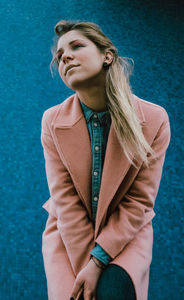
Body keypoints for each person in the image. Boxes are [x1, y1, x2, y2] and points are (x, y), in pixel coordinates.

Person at [40, 19, 171, 300]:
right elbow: (64, 198)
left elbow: (139, 201)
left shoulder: (154, 119)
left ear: (107, 56)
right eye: (60, 55)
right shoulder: (52, 121)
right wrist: (87, 264)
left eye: (76, 46)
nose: (65, 57)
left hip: (125, 233)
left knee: (113, 293)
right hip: (68, 234)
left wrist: (98, 261)